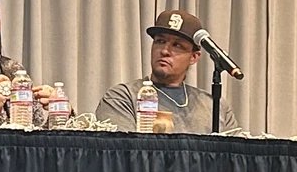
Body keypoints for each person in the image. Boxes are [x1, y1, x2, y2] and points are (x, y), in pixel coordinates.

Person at [95, 9, 239, 134]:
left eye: (177, 45)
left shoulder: (215, 106)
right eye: (160, 41)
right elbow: (122, 157)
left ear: (194, 57)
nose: (164, 51)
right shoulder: (123, 97)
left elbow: (237, 159)